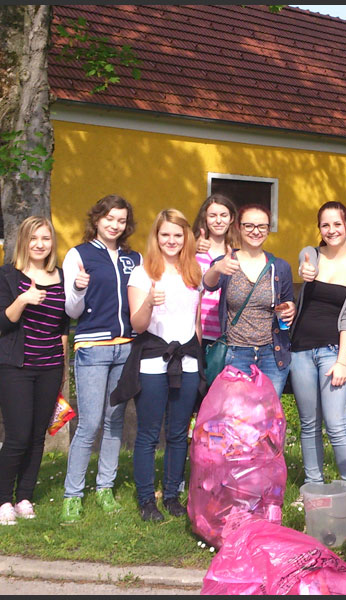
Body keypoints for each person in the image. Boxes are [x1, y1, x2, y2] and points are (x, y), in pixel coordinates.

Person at [109, 209, 204, 521]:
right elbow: (137, 324)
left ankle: (173, 495)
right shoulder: (142, 272)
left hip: (187, 362)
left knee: (178, 433)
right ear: (156, 237)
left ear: (186, 237)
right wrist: (149, 301)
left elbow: (197, 322)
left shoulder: (194, 272)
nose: (172, 241)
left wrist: (199, 358)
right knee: (149, 434)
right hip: (153, 362)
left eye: (178, 235)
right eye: (165, 234)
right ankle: (147, 499)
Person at [61, 195, 141, 524]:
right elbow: (71, 310)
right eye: (109, 218)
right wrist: (78, 289)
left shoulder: (133, 258)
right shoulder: (78, 255)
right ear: (97, 219)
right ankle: (71, 495)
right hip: (93, 348)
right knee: (90, 423)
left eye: (121, 220)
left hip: (126, 348)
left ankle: (104, 488)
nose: (115, 225)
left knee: (114, 422)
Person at [289, 201, 346, 514]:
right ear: (320, 230)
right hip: (300, 349)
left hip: (332, 352)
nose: (332, 230)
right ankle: (314, 488)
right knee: (309, 423)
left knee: (337, 424)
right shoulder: (311, 254)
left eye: (337, 224)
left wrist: (342, 360)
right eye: (325, 225)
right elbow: (303, 261)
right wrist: (304, 269)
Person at [0, 217, 70, 525]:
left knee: (38, 436)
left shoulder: (62, 277)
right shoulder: (7, 276)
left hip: (50, 366)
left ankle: (24, 496)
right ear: (24, 242)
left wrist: (63, 363)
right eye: (34, 238)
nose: (40, 244)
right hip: (16, 366)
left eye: (46, 238)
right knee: (17, 436)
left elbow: (64, 323)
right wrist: (24, 299)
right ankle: (1, 500)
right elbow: (0, 322)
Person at [203, 203, 295, 399]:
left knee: (266, 418)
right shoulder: (227, 261)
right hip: (236, 353)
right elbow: (209, 285)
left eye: (262, 226)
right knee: (236, 418)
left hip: (272, 354)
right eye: (249, 226)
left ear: (268, 229)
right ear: (238, 227)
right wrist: (217, 268)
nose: (256, 231)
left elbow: (288, 300)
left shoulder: (279, 267)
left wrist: (290, 307)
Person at [193, 193, 240, 352]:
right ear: (205, 218)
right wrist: (192, 246)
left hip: (226, 335)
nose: (218, 220)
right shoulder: (193, 253)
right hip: (197, 332)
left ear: (232, 218)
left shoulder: (237, 255)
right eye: (212, 215)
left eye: (223, 215)